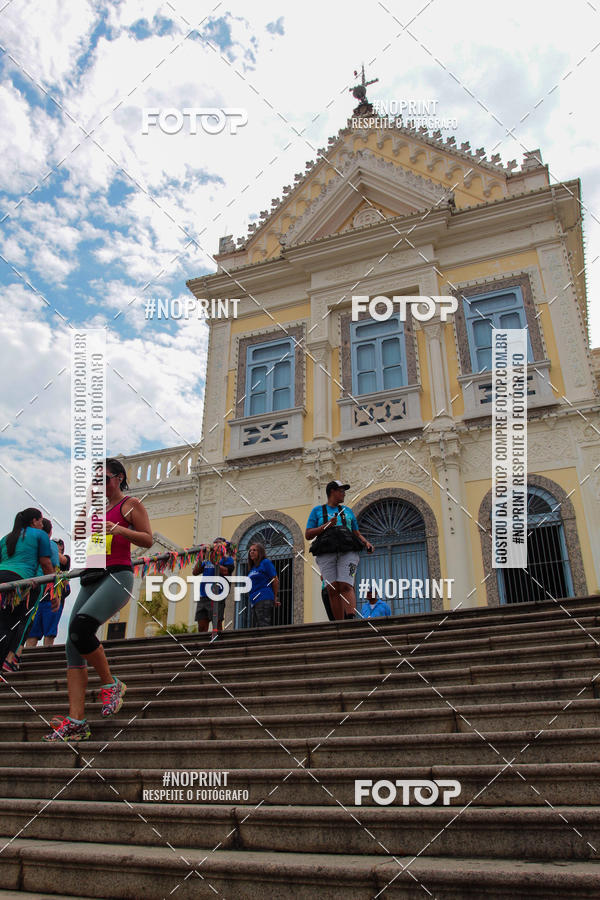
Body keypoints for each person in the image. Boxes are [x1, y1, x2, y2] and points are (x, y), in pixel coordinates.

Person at [43, 458, 152, 742]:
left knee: (81, 628)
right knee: (72, 645)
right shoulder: (98, 510)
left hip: (117, 574)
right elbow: (80, 534)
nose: (99, 484)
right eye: (95, 480)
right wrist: (88, 505)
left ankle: (111, 684)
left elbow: (147, 539)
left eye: (103, 479)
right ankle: (76, 721)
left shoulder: (130, 504)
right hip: (91, 576)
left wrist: (119, 529)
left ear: (119, 478)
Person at [305, 480, 373, 621]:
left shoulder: (347, 511)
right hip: (326, 551)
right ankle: (339, 623)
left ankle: (350, 618)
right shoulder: (317, 511)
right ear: (332, 491)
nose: (344, 494)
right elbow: (308, 534)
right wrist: (326, 525)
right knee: (332, 588)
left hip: (348, 550)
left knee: (346, 585)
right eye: (341, 491)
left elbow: (356, 532)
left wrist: (366, 542)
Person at [0, 508, 55, 672]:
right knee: (16, 625)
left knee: (3, 624)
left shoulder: (7, 537)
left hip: (2, 580)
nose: (42, 525)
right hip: (21, 582)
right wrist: (53, 591)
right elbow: (46, 564)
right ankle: (6, 662)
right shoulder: (40, 535)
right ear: (34, 521)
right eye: (41, 521)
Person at [24, 533, 70, 650]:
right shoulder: (42, 559)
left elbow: (63, 560)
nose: (52, 546)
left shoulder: (64, 559)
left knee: (50, 631)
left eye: (56, 545)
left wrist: (47, 548)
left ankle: (48, 652)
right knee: (32, 632)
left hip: (54, 599)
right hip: (39, 598)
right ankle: (28, 655)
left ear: (61, 547)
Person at [192, 537, 235, 633]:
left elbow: (226, 572)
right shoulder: (206, 559)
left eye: (218, 543)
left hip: (217, 595)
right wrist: (202, 557)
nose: (215, 545)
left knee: (217, 624)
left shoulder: (227, 559)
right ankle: (204, 642)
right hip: (204, 595)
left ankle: (218, 642)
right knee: (202, 626)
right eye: (214, 543)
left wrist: (214, 561)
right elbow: (195, 572)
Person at [247, 543, 280, 628]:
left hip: (264, 597)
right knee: (256, 627)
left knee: (263, 625)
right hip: (254, 600)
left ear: (260, 552)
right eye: (250, 550)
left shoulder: (265, 562)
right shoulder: (253, 568)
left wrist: (274, 597)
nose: (251, 552)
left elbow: (275, 580)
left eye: (254, 550)